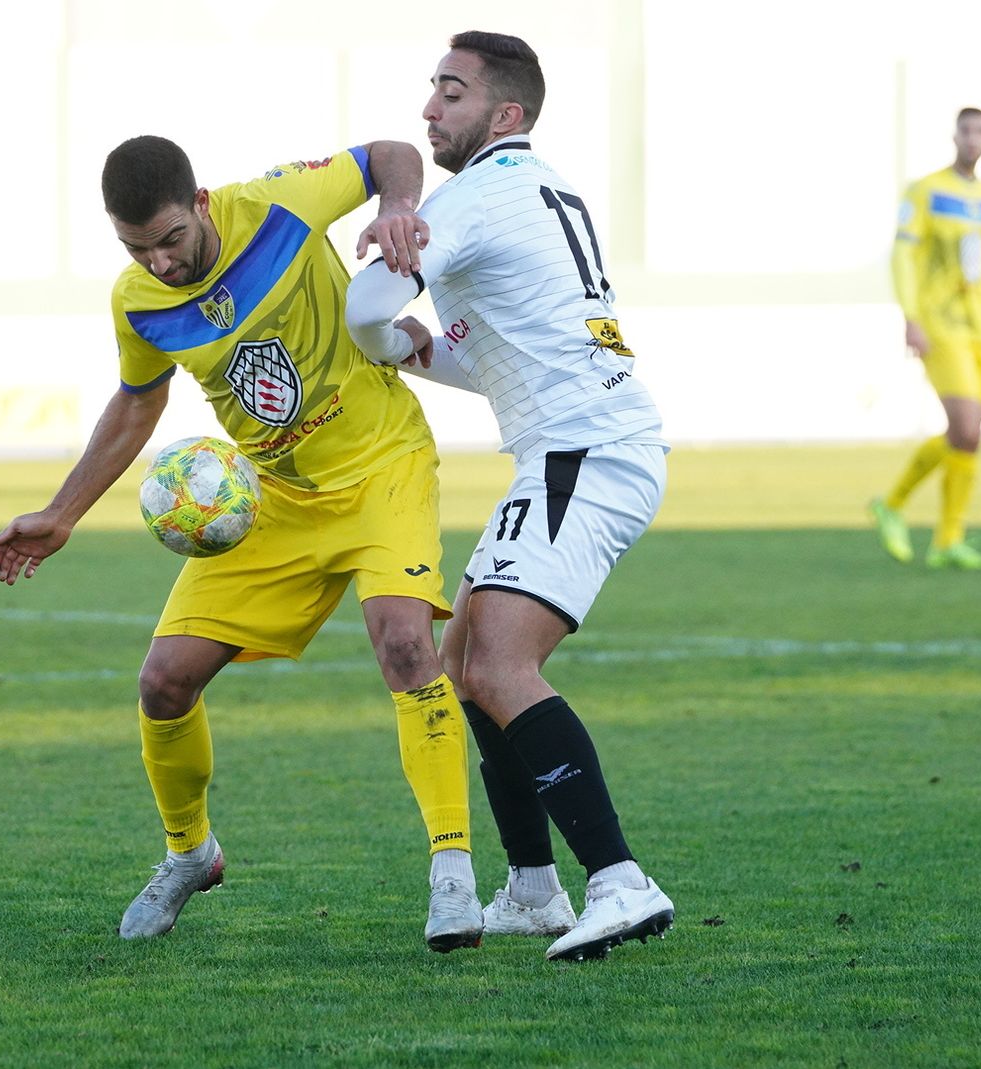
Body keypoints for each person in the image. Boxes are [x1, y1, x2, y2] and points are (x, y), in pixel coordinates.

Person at [0, 134, 483, 951]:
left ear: (204, 204)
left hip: (380, 467)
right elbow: (137, 403)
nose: (161, 262)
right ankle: (191, 852)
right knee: (162, 683)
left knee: (402, 640)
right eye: (136, 247)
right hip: (271, 499)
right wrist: (63, 510)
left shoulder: (281, 203)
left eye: (171, 239)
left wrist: (398, 205)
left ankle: (453, 870)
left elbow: (389, 153)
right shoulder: (138, 299)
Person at [344, 30, 675, 961]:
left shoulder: (478, 196)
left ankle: (618, 879)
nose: (429, 109)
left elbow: (362, 307)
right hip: (575, 446)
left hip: (586, 452)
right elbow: (505, 357)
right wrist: (419, 349)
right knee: (465, 669)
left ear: (505, 114)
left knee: (496, 668)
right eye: (431, 89)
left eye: (450, 92)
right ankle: (533, 890)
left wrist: (382, 329)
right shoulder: (537, 186)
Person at [870, 107, 981, 571]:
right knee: (965, 430)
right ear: (954, 136)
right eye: (967, 130)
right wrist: (911, 317)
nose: (974, 139)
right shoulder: (926, 191)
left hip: (980, 326)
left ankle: (947, 540)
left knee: (968, 439)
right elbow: (902, 255)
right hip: (940, 324)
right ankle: (894, 504)